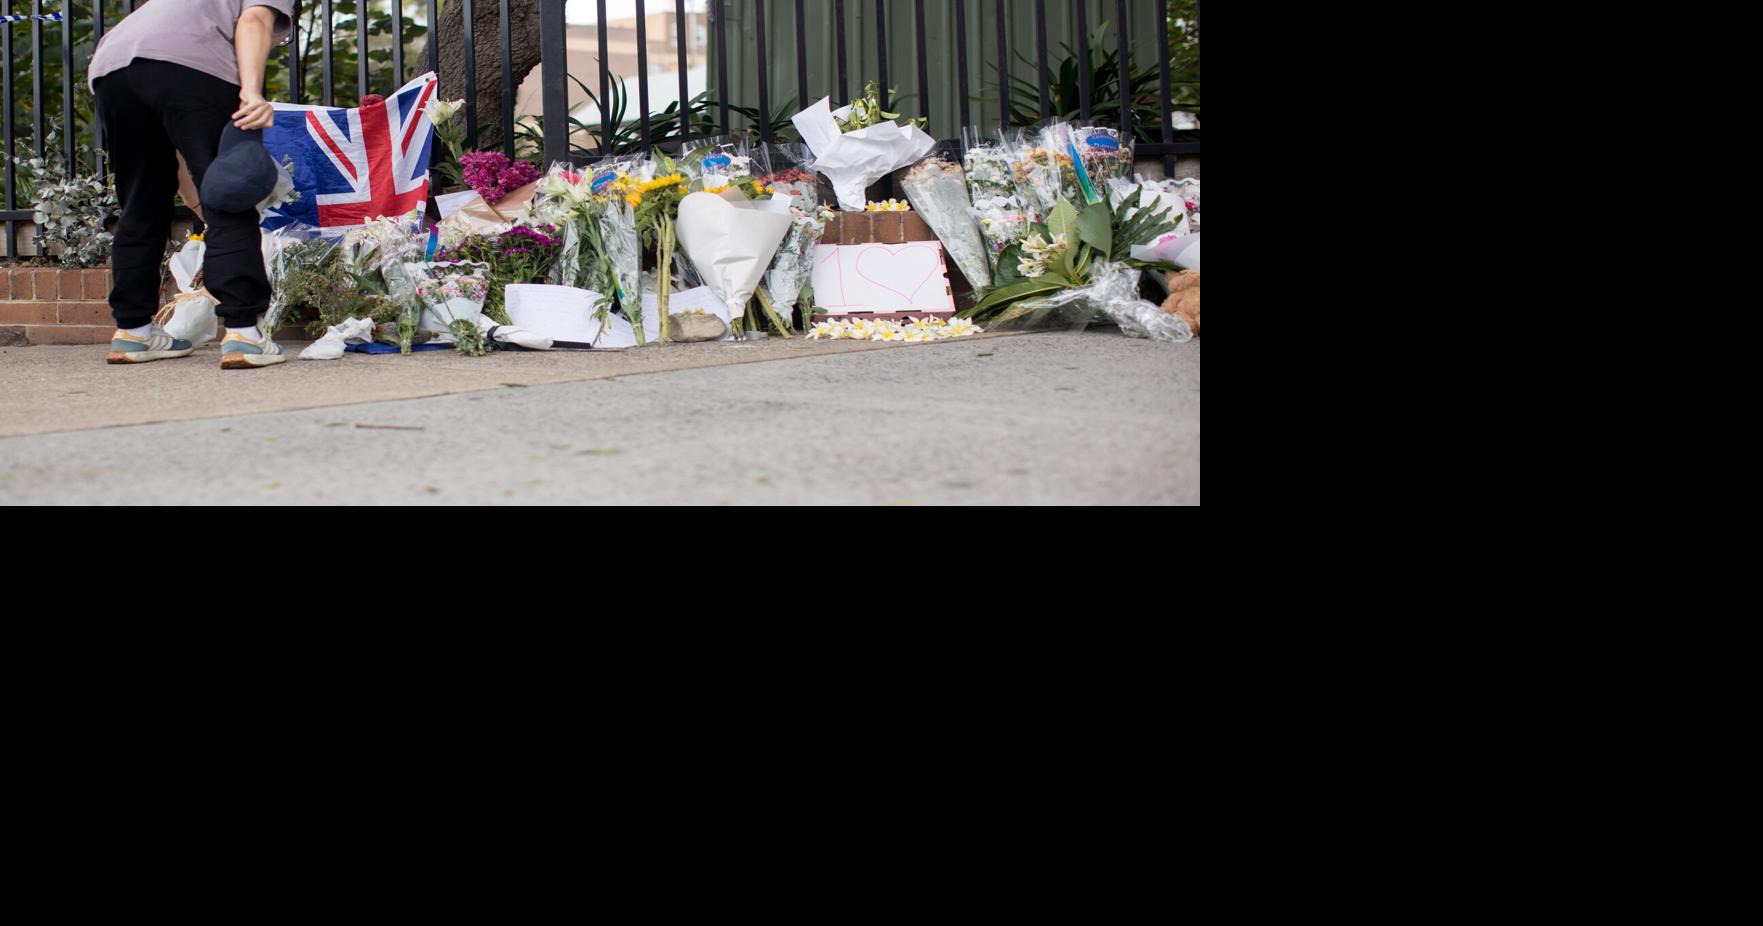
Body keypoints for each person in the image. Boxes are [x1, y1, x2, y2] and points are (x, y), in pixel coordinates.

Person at [89, 0, 295, 369]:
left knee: (141, 199)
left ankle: (134, 332)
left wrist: (201, 207)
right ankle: (244, 334)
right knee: (230, 196)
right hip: (192, 65)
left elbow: (180, 162)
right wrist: (252, 91)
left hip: (112, 69)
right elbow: (253, 20)